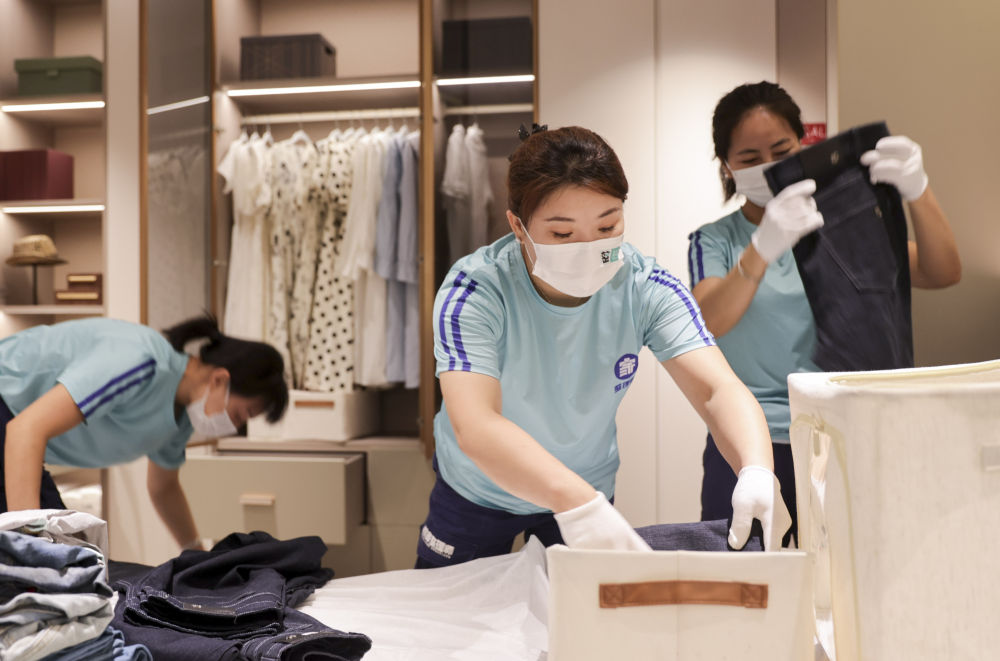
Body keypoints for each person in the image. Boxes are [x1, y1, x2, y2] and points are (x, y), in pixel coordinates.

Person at [415, 124, 791, 569]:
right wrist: (578, 502)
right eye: (562, 234)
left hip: (585, 481)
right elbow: (476, 424)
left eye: (607, 226)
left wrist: (756, 469)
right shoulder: (476, 290)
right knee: (454, 604)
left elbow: (717, 389)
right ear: (518, 225)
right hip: (479, 490)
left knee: (577, 611)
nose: (589, 249)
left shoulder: (643, 286)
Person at [688, 81, 961, 534]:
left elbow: (942, 271)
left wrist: (918, 190)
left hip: (842, 432)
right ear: (727, 166)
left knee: (849, 567)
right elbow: (708, 321)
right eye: (750, 159)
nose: (769, 165)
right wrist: (762, 249)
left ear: (803, 144)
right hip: (752, 444)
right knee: (744, 566)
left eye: (781, 150)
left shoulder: (838, 224)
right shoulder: (715, 240)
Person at [0, 314, 288, 551]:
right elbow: (25, 430)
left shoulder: (179, 418)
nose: (233, 427)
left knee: (69, 557)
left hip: (12, 431)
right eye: (240, 415)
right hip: (7, 409)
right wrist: (31, 546)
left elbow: (164, 488)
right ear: (220, 379)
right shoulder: (140, 361)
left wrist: (195, 554)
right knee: (53, 559)